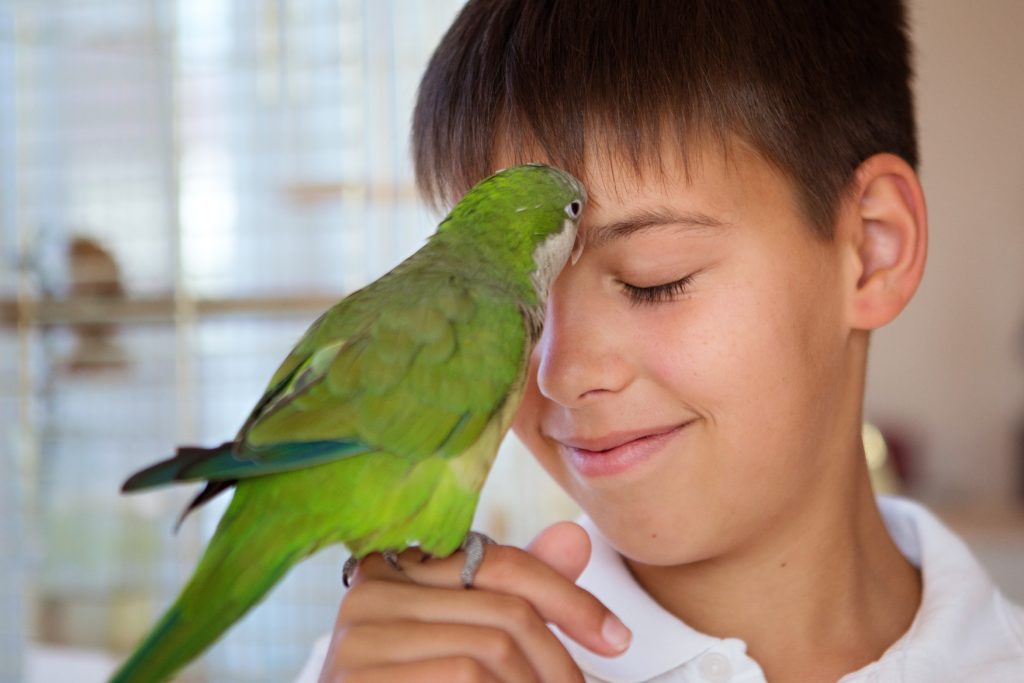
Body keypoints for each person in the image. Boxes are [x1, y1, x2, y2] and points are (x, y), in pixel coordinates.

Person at [298, 1, 1024, 681]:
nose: (559, 374)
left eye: (653, 281)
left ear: (870, 249)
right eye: (508, 309)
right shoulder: (404, 665)